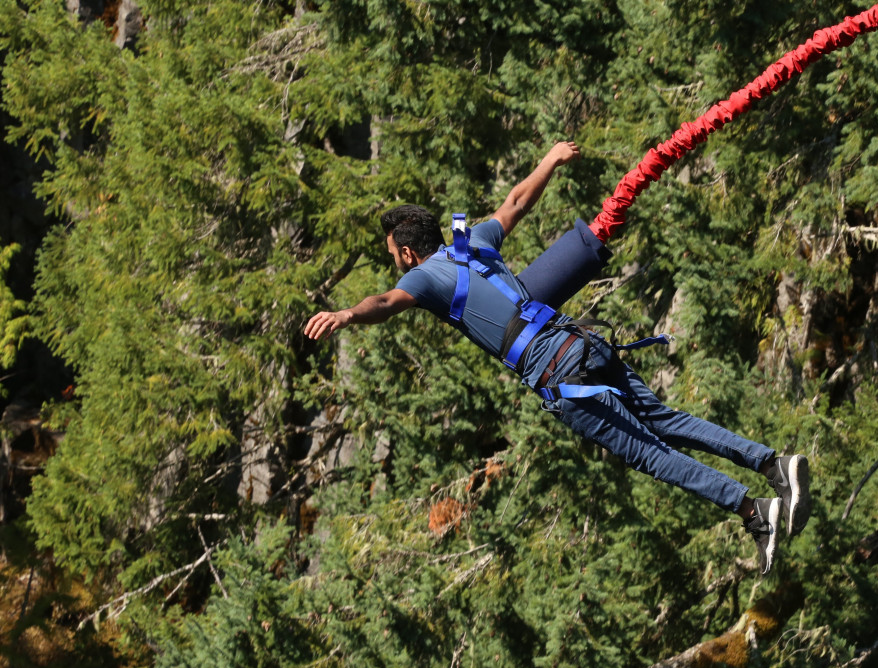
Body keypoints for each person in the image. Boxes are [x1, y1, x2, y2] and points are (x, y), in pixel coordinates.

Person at [303, 142, 811, 574]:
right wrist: (549, 160)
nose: (395, 264)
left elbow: (386, 303)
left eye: (393, 255)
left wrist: (348, 315)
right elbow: (516, 203)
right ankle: (772, 464)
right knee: (664, 420)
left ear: (408, 254)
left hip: (556, 371)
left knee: (649, 454)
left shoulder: (422, 277)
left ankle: (753, 511)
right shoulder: (472, 242)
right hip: (580, 341)